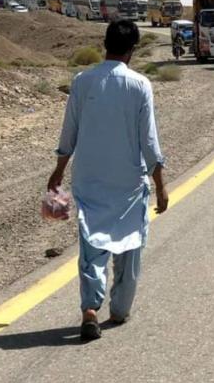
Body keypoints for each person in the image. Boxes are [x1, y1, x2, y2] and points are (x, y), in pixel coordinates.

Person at [47, 20, 168, 341]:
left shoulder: (82, 81)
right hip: (128, 182)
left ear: (105, 44)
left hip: (89, 179)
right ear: (133, 49)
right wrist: (161, 183)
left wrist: (59, 169)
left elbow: (69, 130)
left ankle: (90, 308)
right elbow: (149, 141)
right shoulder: (140, 85)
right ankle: (119, 309)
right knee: (130, 245)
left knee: (92, 245)